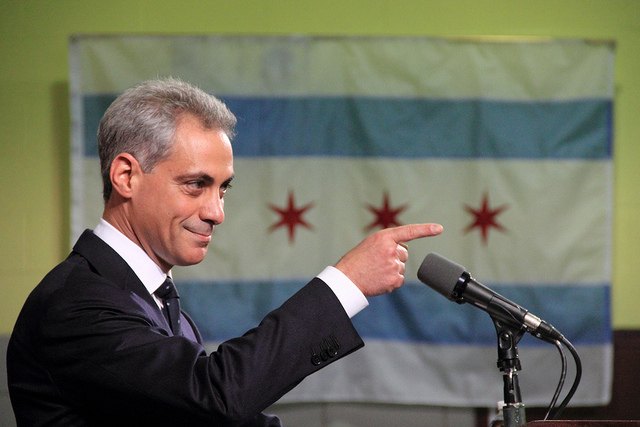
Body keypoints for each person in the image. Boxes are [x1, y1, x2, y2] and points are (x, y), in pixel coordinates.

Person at [7, 78, 443, 426]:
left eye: (223, 189)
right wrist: (346, 283)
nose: (216, 212)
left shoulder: (152, 300)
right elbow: (214, 396)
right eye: (196, 185)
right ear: (126, 176)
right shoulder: (76, 304)